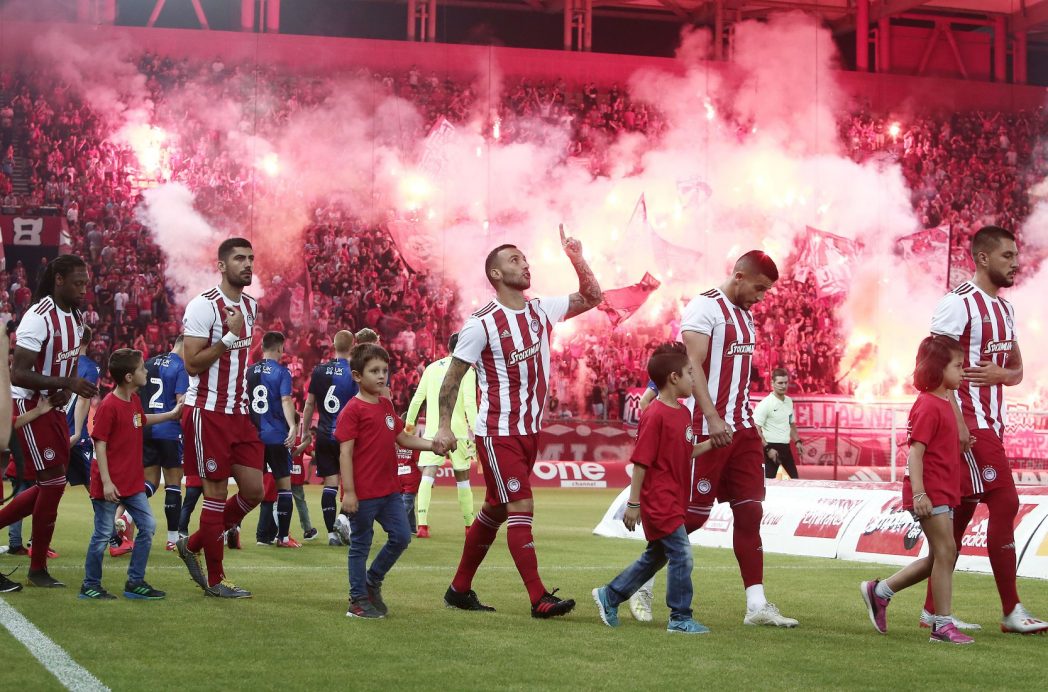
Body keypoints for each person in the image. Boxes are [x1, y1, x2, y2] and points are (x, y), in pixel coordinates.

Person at [435, 225, 602, 617]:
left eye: (525, 259)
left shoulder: (541, 310)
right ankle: (538, 597)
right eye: (515, 260)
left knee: (495, 510)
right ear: (496, 274)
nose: (525, 264)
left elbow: (594, 296)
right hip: (498, 433)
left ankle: (459, 589)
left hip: (529, 432)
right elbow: (453, 377)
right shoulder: (482, 323)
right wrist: (443, 425)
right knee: (521, 504)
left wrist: (576, 257)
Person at [926, 225, 1047, 634]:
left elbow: (1017, 371)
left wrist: (1001, 374)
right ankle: (1012, 610)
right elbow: (931, 368)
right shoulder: (957, 304)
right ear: (982, 258)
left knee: (962, 511)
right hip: (969, 423)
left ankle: (927, 608)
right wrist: (957, 423)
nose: (1015, 263)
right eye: (1007, 256)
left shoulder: (1005, 310)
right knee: (1006, 502)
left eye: (1016, 255)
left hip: (992, 421)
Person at [680, 250, 798, 627]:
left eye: (766, 291)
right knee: (692, 517)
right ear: (739, 276)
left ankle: (756, 605)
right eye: (759, 288)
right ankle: (640, 584)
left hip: (742, 429)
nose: (761, 297)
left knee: (750, 512)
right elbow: (691, 365)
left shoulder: (745, 315)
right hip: (707, 427)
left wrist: (747, 423)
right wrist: (712, 416)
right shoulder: (705, 307)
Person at [592, 343, 713, 634]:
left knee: (656, 557)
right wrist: (633, 504)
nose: (693, 378)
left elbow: (686, 452)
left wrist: (713, 443)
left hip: (675, 499)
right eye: (689, 373)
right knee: (682, 555)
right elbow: (641, 463)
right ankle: (680, 617)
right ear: (674, 377)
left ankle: (610, 595)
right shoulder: (655, 414)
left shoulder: (682, 414)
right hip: (660, 500)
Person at [860, 336, 973, 644]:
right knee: (947, 552)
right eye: (957, 366)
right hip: (930, 493)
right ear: (938, 369)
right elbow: (915, 453)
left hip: (943, 490)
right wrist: (920, 493)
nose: (963, 372)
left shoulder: (943, 402)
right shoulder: (927, 405)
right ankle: (941, 625)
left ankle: (880, 591)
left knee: (940, 556)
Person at [174, 238, 264, 599]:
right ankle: (215, 580)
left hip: (239, 414)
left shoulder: (251, 306)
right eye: (239, 258)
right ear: (222, 266)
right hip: (207, 413)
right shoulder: (203, 306)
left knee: (255, 491)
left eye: (251, 258)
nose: (247, 264)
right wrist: (229, 336)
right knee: (214, 495)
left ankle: (192, 544)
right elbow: (192, 364)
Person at [0, 255, 97, 588]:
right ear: (58, 280)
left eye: (85, 283)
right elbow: (18, 372)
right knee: (52, 484)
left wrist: (66, 387)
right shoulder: (39, 317)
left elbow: (68, 361)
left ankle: (37, 565)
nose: (83, 290)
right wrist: (66, 383)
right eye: (77, 283)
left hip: (52, 405)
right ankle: (37, 567)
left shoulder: (76, 316)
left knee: (51, 485)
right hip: (30, 405)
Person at [337, 343, 439, 618]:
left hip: (389, 491)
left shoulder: (385, 405)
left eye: (384, 370)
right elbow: (345, 453)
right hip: (363, 493)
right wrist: (349, 492)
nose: (382, 375)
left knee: (402, 536)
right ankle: (357, 600)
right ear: (357, 376)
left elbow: (402, 437)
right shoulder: (352, 410)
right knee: (361, 544)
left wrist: (433, 445)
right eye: (374, 371)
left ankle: (372, 581)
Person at [80, 349, 181, 600]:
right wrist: (106, 482)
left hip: (132, 483)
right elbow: (99, 443)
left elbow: (141, 420)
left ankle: (135, 582)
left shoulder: (134, 400)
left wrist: (171, 415)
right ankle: (90, 585)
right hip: (110, 485)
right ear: (129, 377)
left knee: (148, 526)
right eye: (141, 368)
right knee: (102, 535)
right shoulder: (108, 406)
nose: (146, 371)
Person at [405, 332, 478, 537]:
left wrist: (409, 426)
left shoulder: (431, 368)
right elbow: (470, 403)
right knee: (462, 478)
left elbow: (417, 399)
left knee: (427, 475)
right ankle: (469, 526)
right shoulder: (467, 370)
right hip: (458, 433)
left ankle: (422, 525)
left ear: (448, 347)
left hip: (433, 433)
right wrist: (476, 431)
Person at [300, 330, 357, 546]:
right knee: (355, 482)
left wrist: (305, 431)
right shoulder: (354, 372)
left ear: (333, 345)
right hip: (347, 437)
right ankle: (343, 519)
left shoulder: (319, 370)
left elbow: (309, 404)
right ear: (352, 345)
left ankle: (332, 535)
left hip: (324, 434)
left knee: (330, 484)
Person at [247, 331, 300, 548]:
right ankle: (283, 538)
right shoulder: (282, 372)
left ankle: (234, 529)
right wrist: (293, 425)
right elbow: (286, 400)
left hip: (252, 437)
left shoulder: (248, 372)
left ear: (262, 347)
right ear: (279, 348)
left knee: (247, 488)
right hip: (276, 436)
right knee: (284, 487)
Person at [140, 335, 189, 550]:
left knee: (149, 482)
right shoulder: (181, 368)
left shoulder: (149, 363)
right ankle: (172, 538)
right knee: (173, 483)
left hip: (147, 428)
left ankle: (125, 515)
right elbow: (181, 403)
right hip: (169, 430)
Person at [65, 326, 101, 490]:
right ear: (88, 340)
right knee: (95, 489)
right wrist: (78, 432)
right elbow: (83, 398)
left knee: (49, 487)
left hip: (56, 431)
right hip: (76, 436)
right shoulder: (91, 368)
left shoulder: (59, 364)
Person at [753, 368, 803, 479]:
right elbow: (756, 429)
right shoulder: (766, 403)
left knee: (794, 482)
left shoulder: (789, 401)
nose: (783, 386)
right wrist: (768, 449)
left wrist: (797, 441)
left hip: (786, 448)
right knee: (768, 484)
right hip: (770, 448)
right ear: (772, 383)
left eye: (786, 382)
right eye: (780, 383)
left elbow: (791, 424)